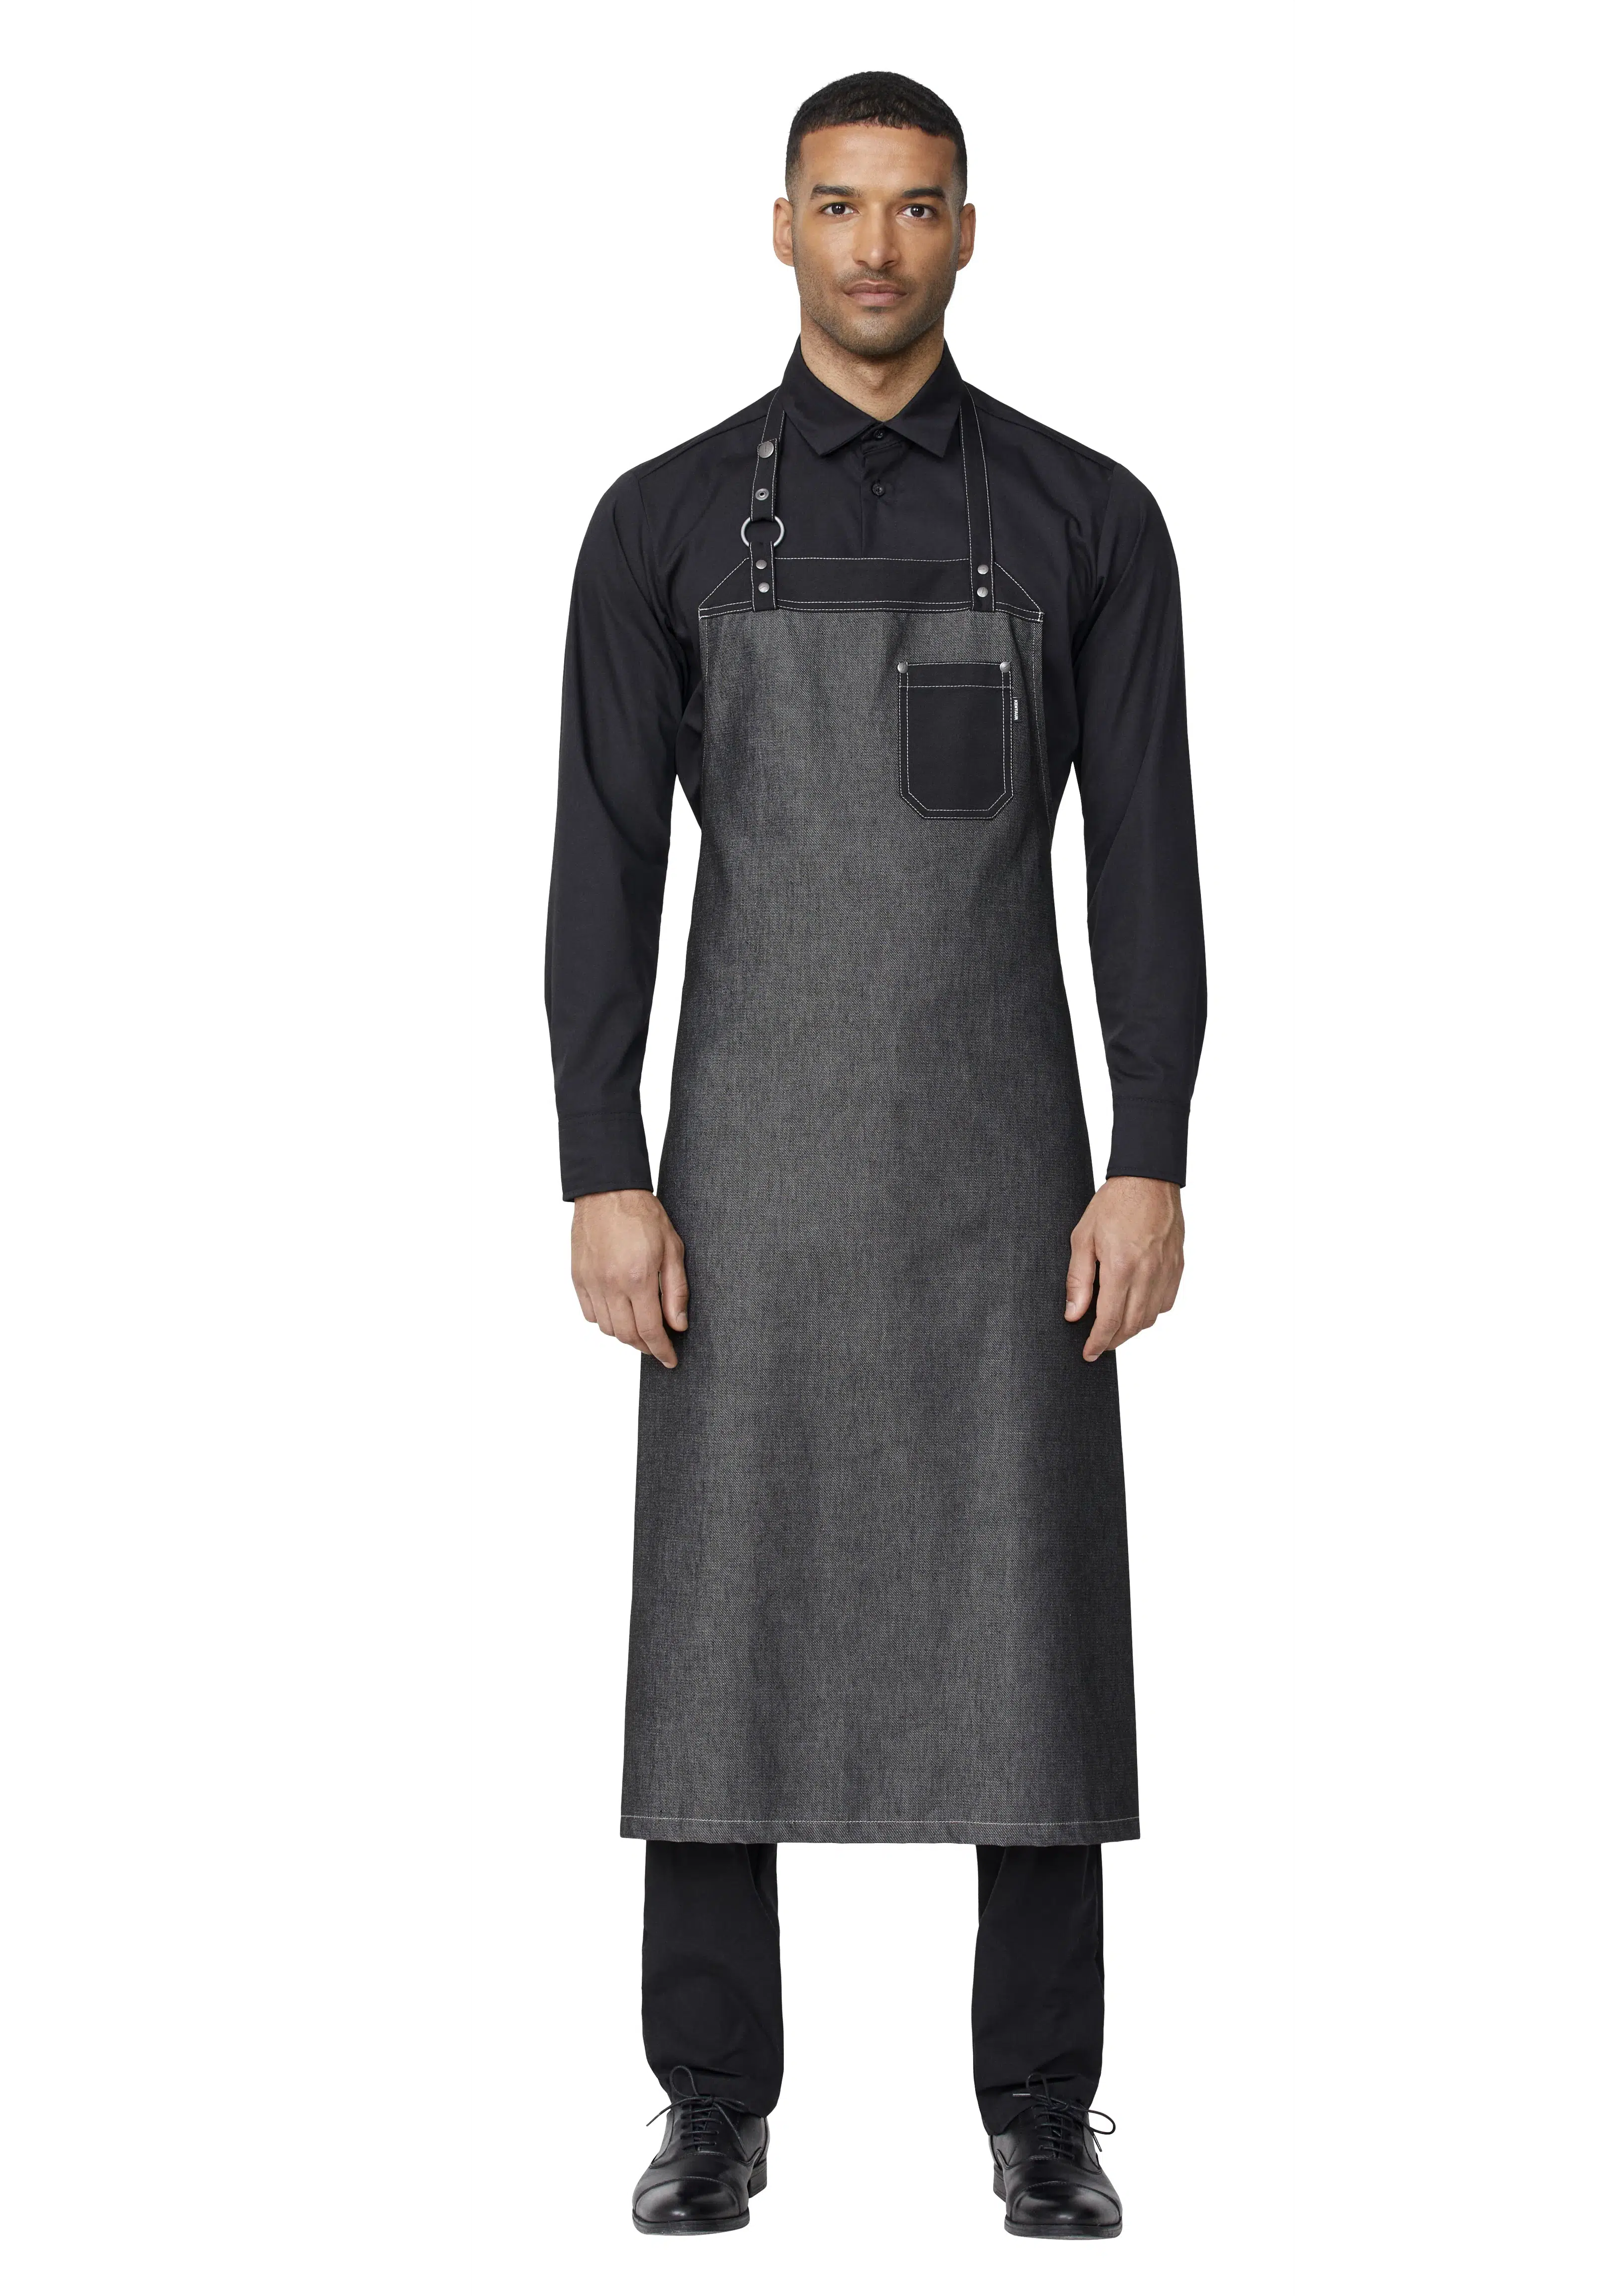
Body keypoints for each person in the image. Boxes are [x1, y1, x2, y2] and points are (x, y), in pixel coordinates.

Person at [545, 70, 1205, 2240]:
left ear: (968, 232)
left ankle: (1042, 2107)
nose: (875, 247)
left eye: (915, 208)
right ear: (781, 227)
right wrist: (602, 1159)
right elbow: (602, 861)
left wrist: (1150, 1149)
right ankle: (710, 2102)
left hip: (1010, 1164)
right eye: (838, 205)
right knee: (720, 1612)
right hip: (742, 1164)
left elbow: (1148, 860)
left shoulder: (1089, 516)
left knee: (1033, 1610)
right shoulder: (658, 522)